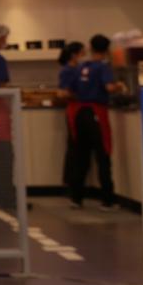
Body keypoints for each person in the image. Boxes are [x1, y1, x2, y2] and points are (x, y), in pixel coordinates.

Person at [67, 34, 127, 211]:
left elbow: (70, 90)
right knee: (103, 155)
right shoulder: (103, 67)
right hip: (96, 112)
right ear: (107, 50)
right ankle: (107, 200)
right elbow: (108, 87)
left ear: (91, 48)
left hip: (79, 113)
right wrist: (120, 86)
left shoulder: (81, 66)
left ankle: (76, 198)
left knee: (81, 156)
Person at [55, 42, 86, 190]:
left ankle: (74, 183)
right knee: (75, 147)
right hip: (74, 110)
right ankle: (72, 183)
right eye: (82, 53)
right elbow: (62, 92)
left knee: (76, 147)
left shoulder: (76, 69)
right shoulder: (69, 70)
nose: (84, 56)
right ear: (75, 54)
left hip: (78, 109)